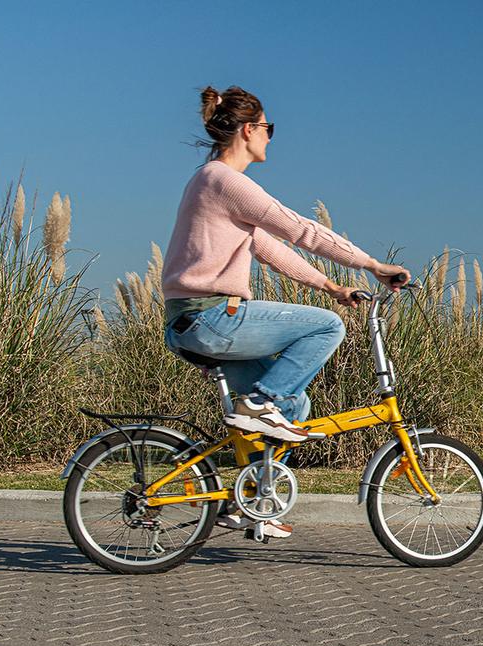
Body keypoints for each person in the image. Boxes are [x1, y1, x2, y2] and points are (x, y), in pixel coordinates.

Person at [161, 85, 411, 536]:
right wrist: (373, 264)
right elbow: (300, 231)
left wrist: (332, 285)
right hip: (212, 318)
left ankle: (252, 501)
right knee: (326, 329)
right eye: (267, 128)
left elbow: (270, 249)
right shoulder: (225, 181)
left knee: (295, 403)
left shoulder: (208, 184)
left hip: (191, 321)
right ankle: (260, 404)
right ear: (246, 130)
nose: (271, 138)